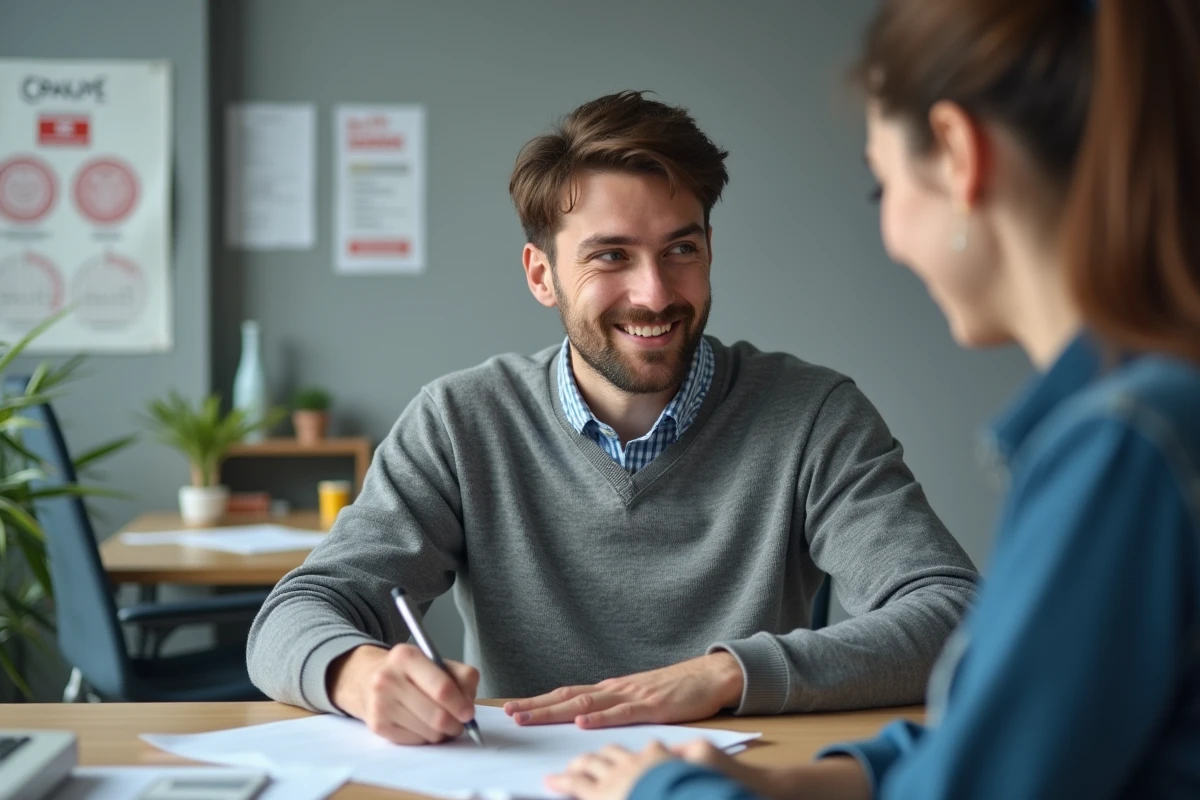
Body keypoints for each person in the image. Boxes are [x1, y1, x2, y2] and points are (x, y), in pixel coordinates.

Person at [547, 1, 1200, 798]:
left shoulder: (1124, 447)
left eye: (879, 185)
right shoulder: (1147, 417)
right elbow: (988, 738)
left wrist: (663, 791)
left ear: (958, 155)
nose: (890, 233)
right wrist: (803, 784)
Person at [247, 90, 979, 747]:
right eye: (611, 257)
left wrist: (724, 674)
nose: (654, 292)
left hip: (726, 786)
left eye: (680, 249)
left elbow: (953, 613)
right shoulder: (460, 422)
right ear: (542, 275)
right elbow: (293, 616)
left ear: (710, 249)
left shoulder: (813, 417)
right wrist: (356, 672)